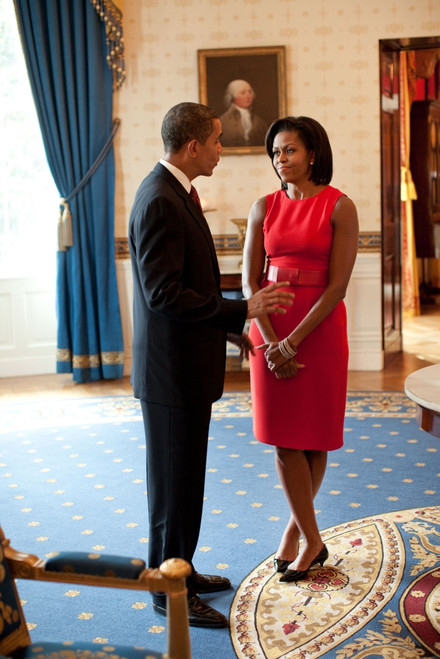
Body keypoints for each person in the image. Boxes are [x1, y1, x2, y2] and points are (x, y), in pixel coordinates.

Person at [128, 102, 294, 628]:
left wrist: (228, 330)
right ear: (193, 145)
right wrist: (242, 308)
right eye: (218, 141)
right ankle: (167, 589)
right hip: (170, 375)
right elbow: (164, 295)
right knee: (172, 488)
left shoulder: (177, 193)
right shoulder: (159, 199)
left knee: (185, 482)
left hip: (187, 368)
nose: (224, 149)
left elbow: (189, 284)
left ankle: (184, 566)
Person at [242, 116, 359, 583]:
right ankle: (312, 538)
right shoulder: (262, 206)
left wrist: (294, 342)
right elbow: (252, 280)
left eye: (289, 150)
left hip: (320, 328)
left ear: (312, 153)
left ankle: (297, 534)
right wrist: (274, 343)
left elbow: (338, 286)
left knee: (314, 435)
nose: (280, 160)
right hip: (268, 328)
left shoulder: (340, 205)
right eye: (274, 153)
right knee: (283, 437)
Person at [219, 79, 268, 147]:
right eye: (243, 93)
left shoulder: (260, 122)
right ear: (232, 97)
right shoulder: (223, 122)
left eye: (250, 92)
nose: (248, 96)